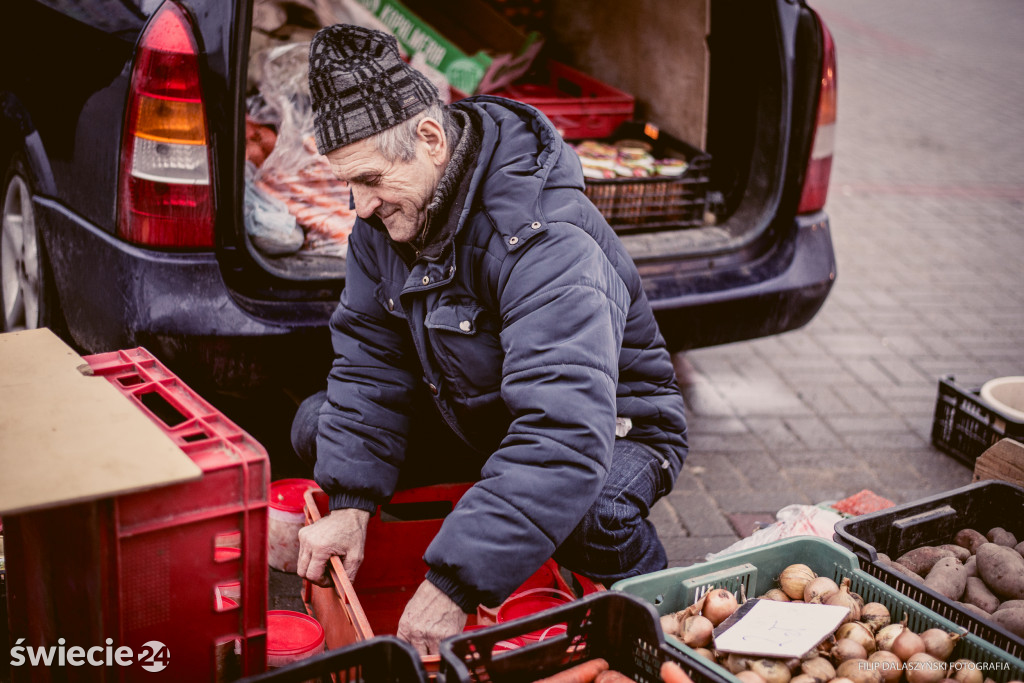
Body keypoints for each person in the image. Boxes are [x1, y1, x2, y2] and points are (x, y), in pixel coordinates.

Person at [292, 24, 688, 656]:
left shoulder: (544, 238)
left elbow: (563, 433)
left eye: (370, 180)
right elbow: (370, 367)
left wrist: (456, 580)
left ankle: (665, 621)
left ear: (429, 139)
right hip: (480, 409)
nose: (360, 207)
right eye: (351, 185)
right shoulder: (384, 222)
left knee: (590, 515)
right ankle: (484, 519)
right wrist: (350, 502)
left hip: (613, 422)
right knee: (318, 424)